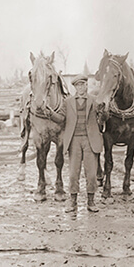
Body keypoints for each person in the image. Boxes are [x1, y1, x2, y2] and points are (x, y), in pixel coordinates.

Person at [55, 74, 104, 213]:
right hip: (74, 140)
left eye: (83, 85)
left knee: (92, 174)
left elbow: (102, 119)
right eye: (78, 85)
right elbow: (60, 119)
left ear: (86, 86)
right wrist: (49, 113)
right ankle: (73, 202)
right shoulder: (68, 102)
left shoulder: (94, 101)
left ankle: (91, 202)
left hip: (90, 140)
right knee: (73, 173)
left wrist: (103, 112)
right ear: (75, 87)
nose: (81, 87)